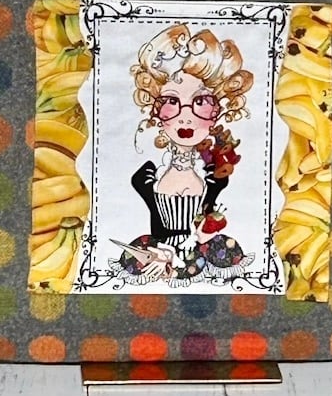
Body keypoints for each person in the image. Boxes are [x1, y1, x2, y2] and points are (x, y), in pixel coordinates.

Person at [109, 23, 256, 286]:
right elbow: (156, 221)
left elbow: (211, 219)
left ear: (217, 113)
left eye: (200, 103)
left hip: (200, 251)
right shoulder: (146, 176)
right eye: (171, 103)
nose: (185, 118)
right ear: (155, 112)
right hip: (159, 247)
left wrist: (205, 234)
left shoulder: (214, 175)